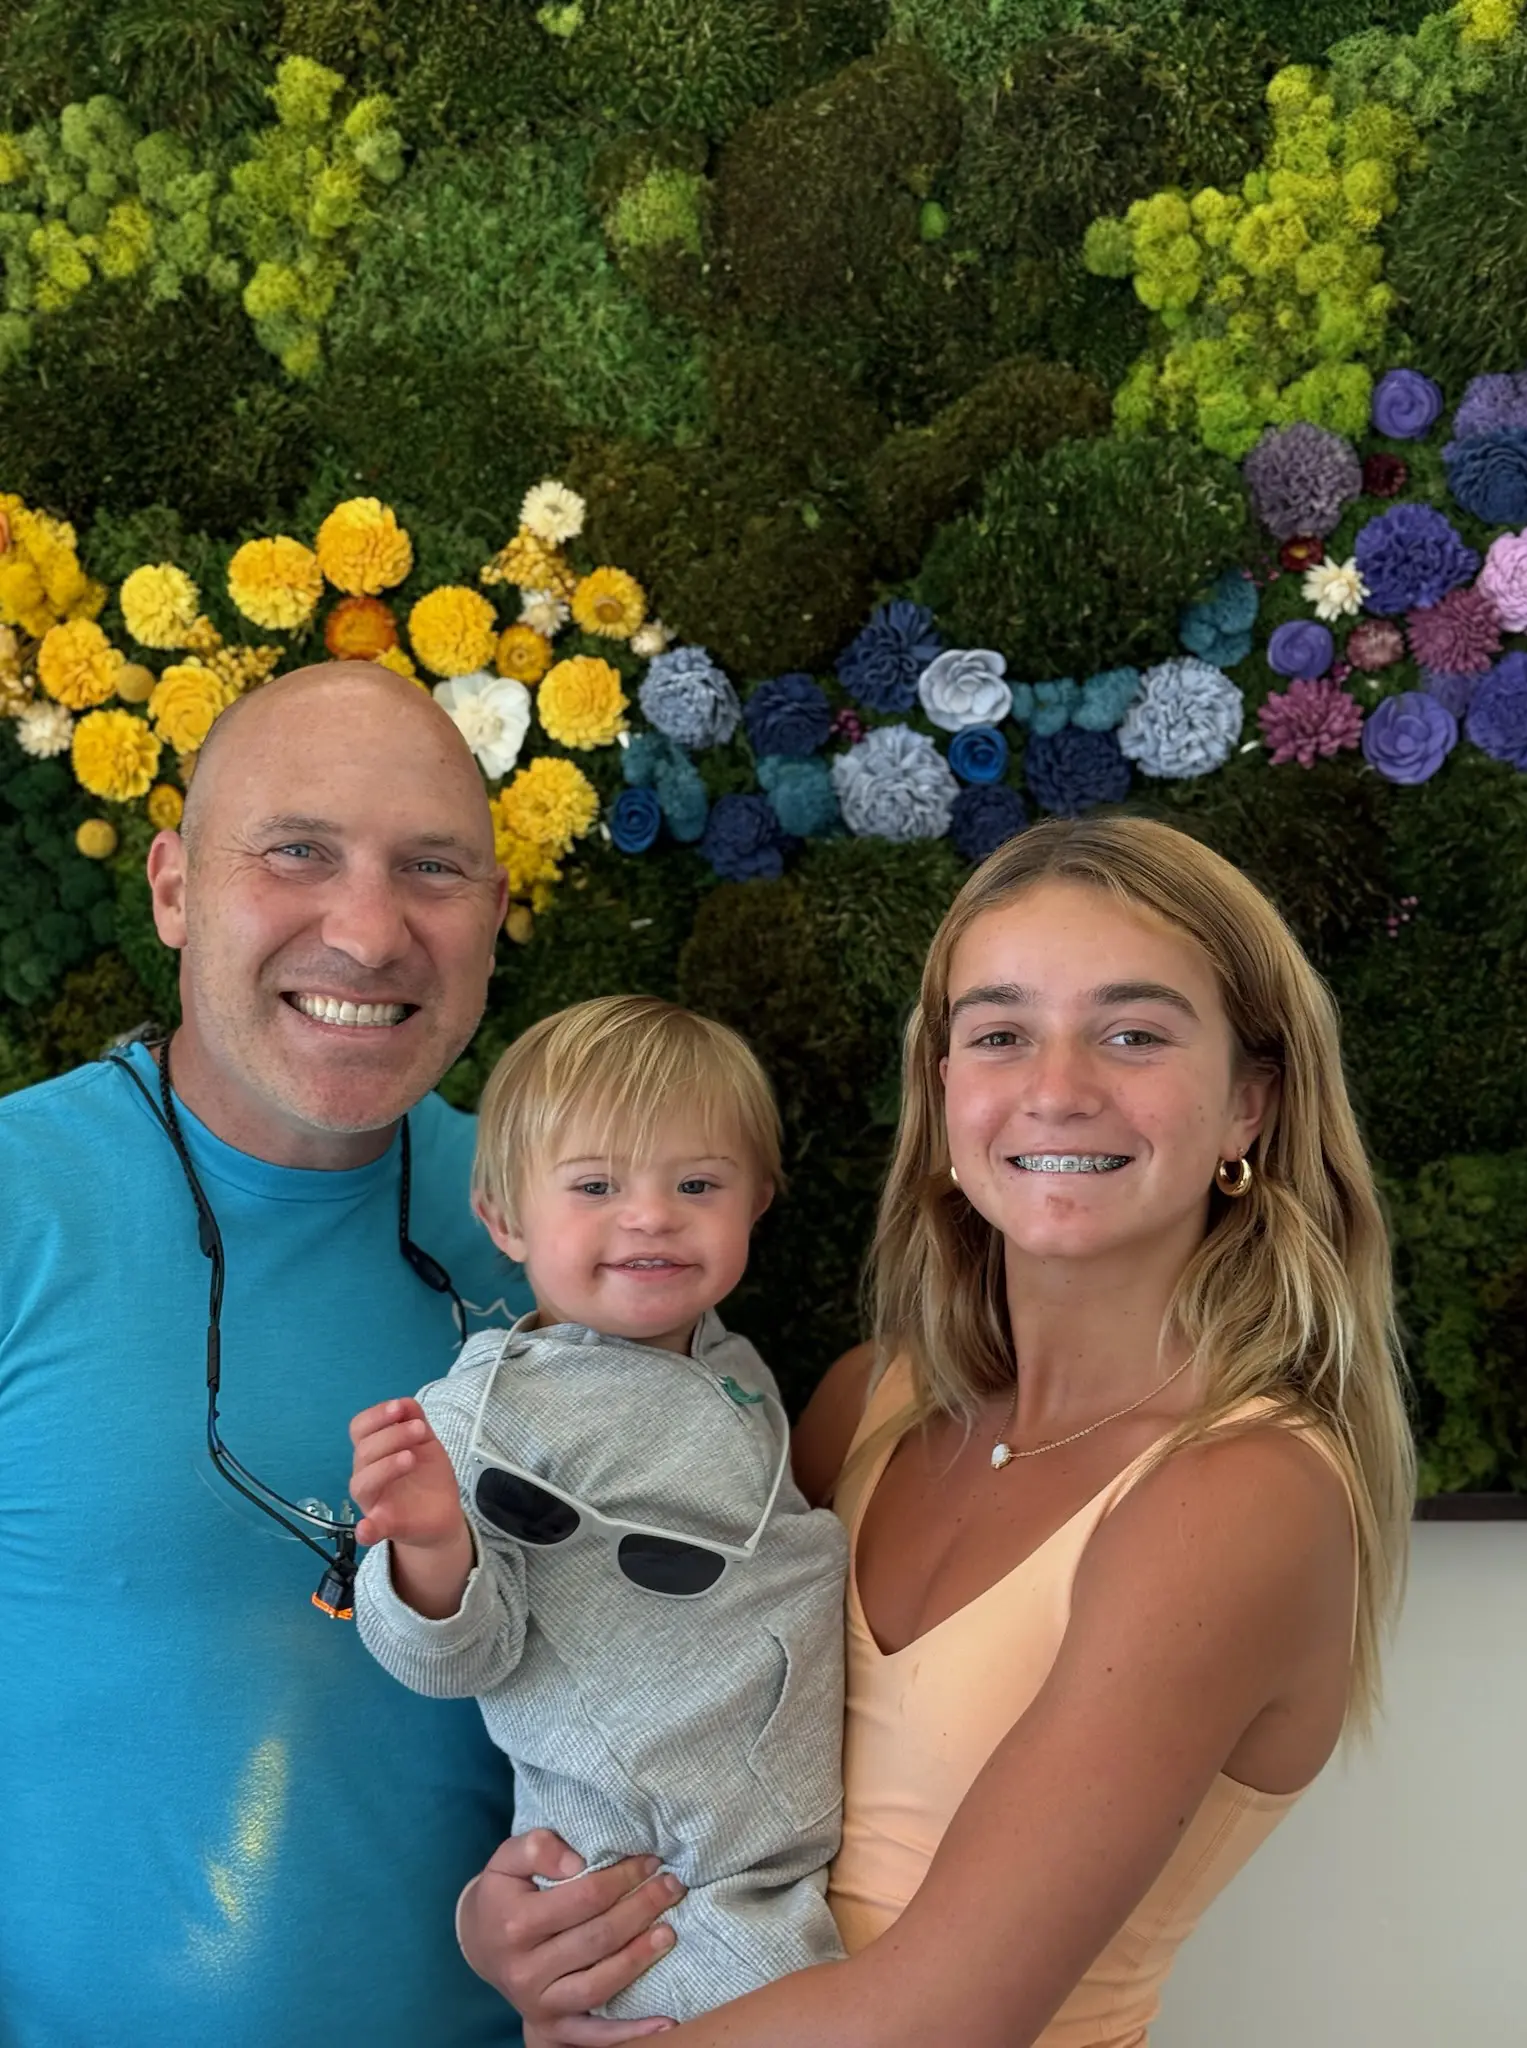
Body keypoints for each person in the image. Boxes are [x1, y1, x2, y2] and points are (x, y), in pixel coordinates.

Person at [458, 814, 1417, 2048]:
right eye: (1002, 1033)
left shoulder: (1243, 1491)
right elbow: (652, 1722)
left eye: (1132, 1032)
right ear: (946, 1092)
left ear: (1249, 1104)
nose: (1058, 1086)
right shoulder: (865, 1402)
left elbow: (943, 2014)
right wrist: (525, 1924)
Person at [0, 661, 536, 2047]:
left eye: (432, 869)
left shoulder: (566, 1246)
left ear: (493, 917)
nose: (366, 933)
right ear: (173, 887)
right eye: (298, 853)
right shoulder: (18, 1202)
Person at [348, 995, 848, 2024]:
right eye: (595, 1185)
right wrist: (432, 1543)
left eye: (697, 1183)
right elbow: (456, 1657)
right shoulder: (486, 1418)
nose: (651, 1213)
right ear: (504, 1217)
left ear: (757, 1199)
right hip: (654, 1877)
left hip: (769, 1843)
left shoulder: (734, 1362)